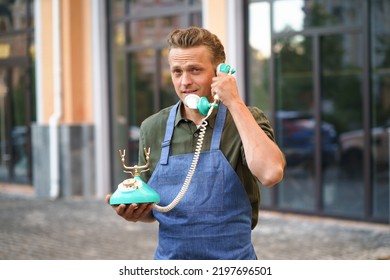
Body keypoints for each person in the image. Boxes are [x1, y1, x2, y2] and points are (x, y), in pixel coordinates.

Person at [106, 26, 285, 260]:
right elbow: (155, 208)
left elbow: (271, 173)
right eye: (177, 71)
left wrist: (234, 102)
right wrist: (135, 212)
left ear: (220, 72)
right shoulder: (152, 128)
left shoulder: (245, 120)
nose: (184, 82)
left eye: (195, 70)